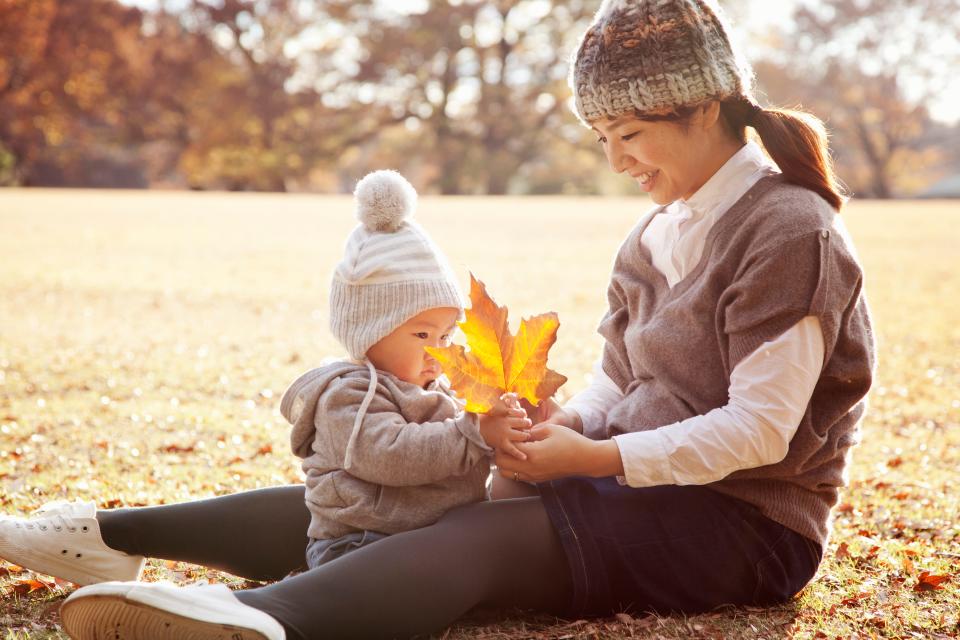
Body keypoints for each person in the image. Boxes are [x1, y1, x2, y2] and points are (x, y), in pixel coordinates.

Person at [0, 1, 875, 639]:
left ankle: (261, 622)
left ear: (707, 107)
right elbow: (622, 381)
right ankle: (112, 538)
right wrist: (555, 430)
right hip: (636, 484)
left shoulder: (788, 229)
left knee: (484, 532)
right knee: (397, 495)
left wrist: (596, 458)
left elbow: (763, 430)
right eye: (600, 136)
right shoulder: (655, 233)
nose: (616, 161)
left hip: (742, 527)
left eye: (629, 132)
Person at [283, 169, 531, 568]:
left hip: (425, 535)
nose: (438, 352)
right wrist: (475, 434)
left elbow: (467, 443)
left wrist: (502, 425)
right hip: (359, 543)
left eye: (447, 336)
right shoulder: (348, 395)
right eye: (421, 335)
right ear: (369, 332)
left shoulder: (441, 388)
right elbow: (390, 454)